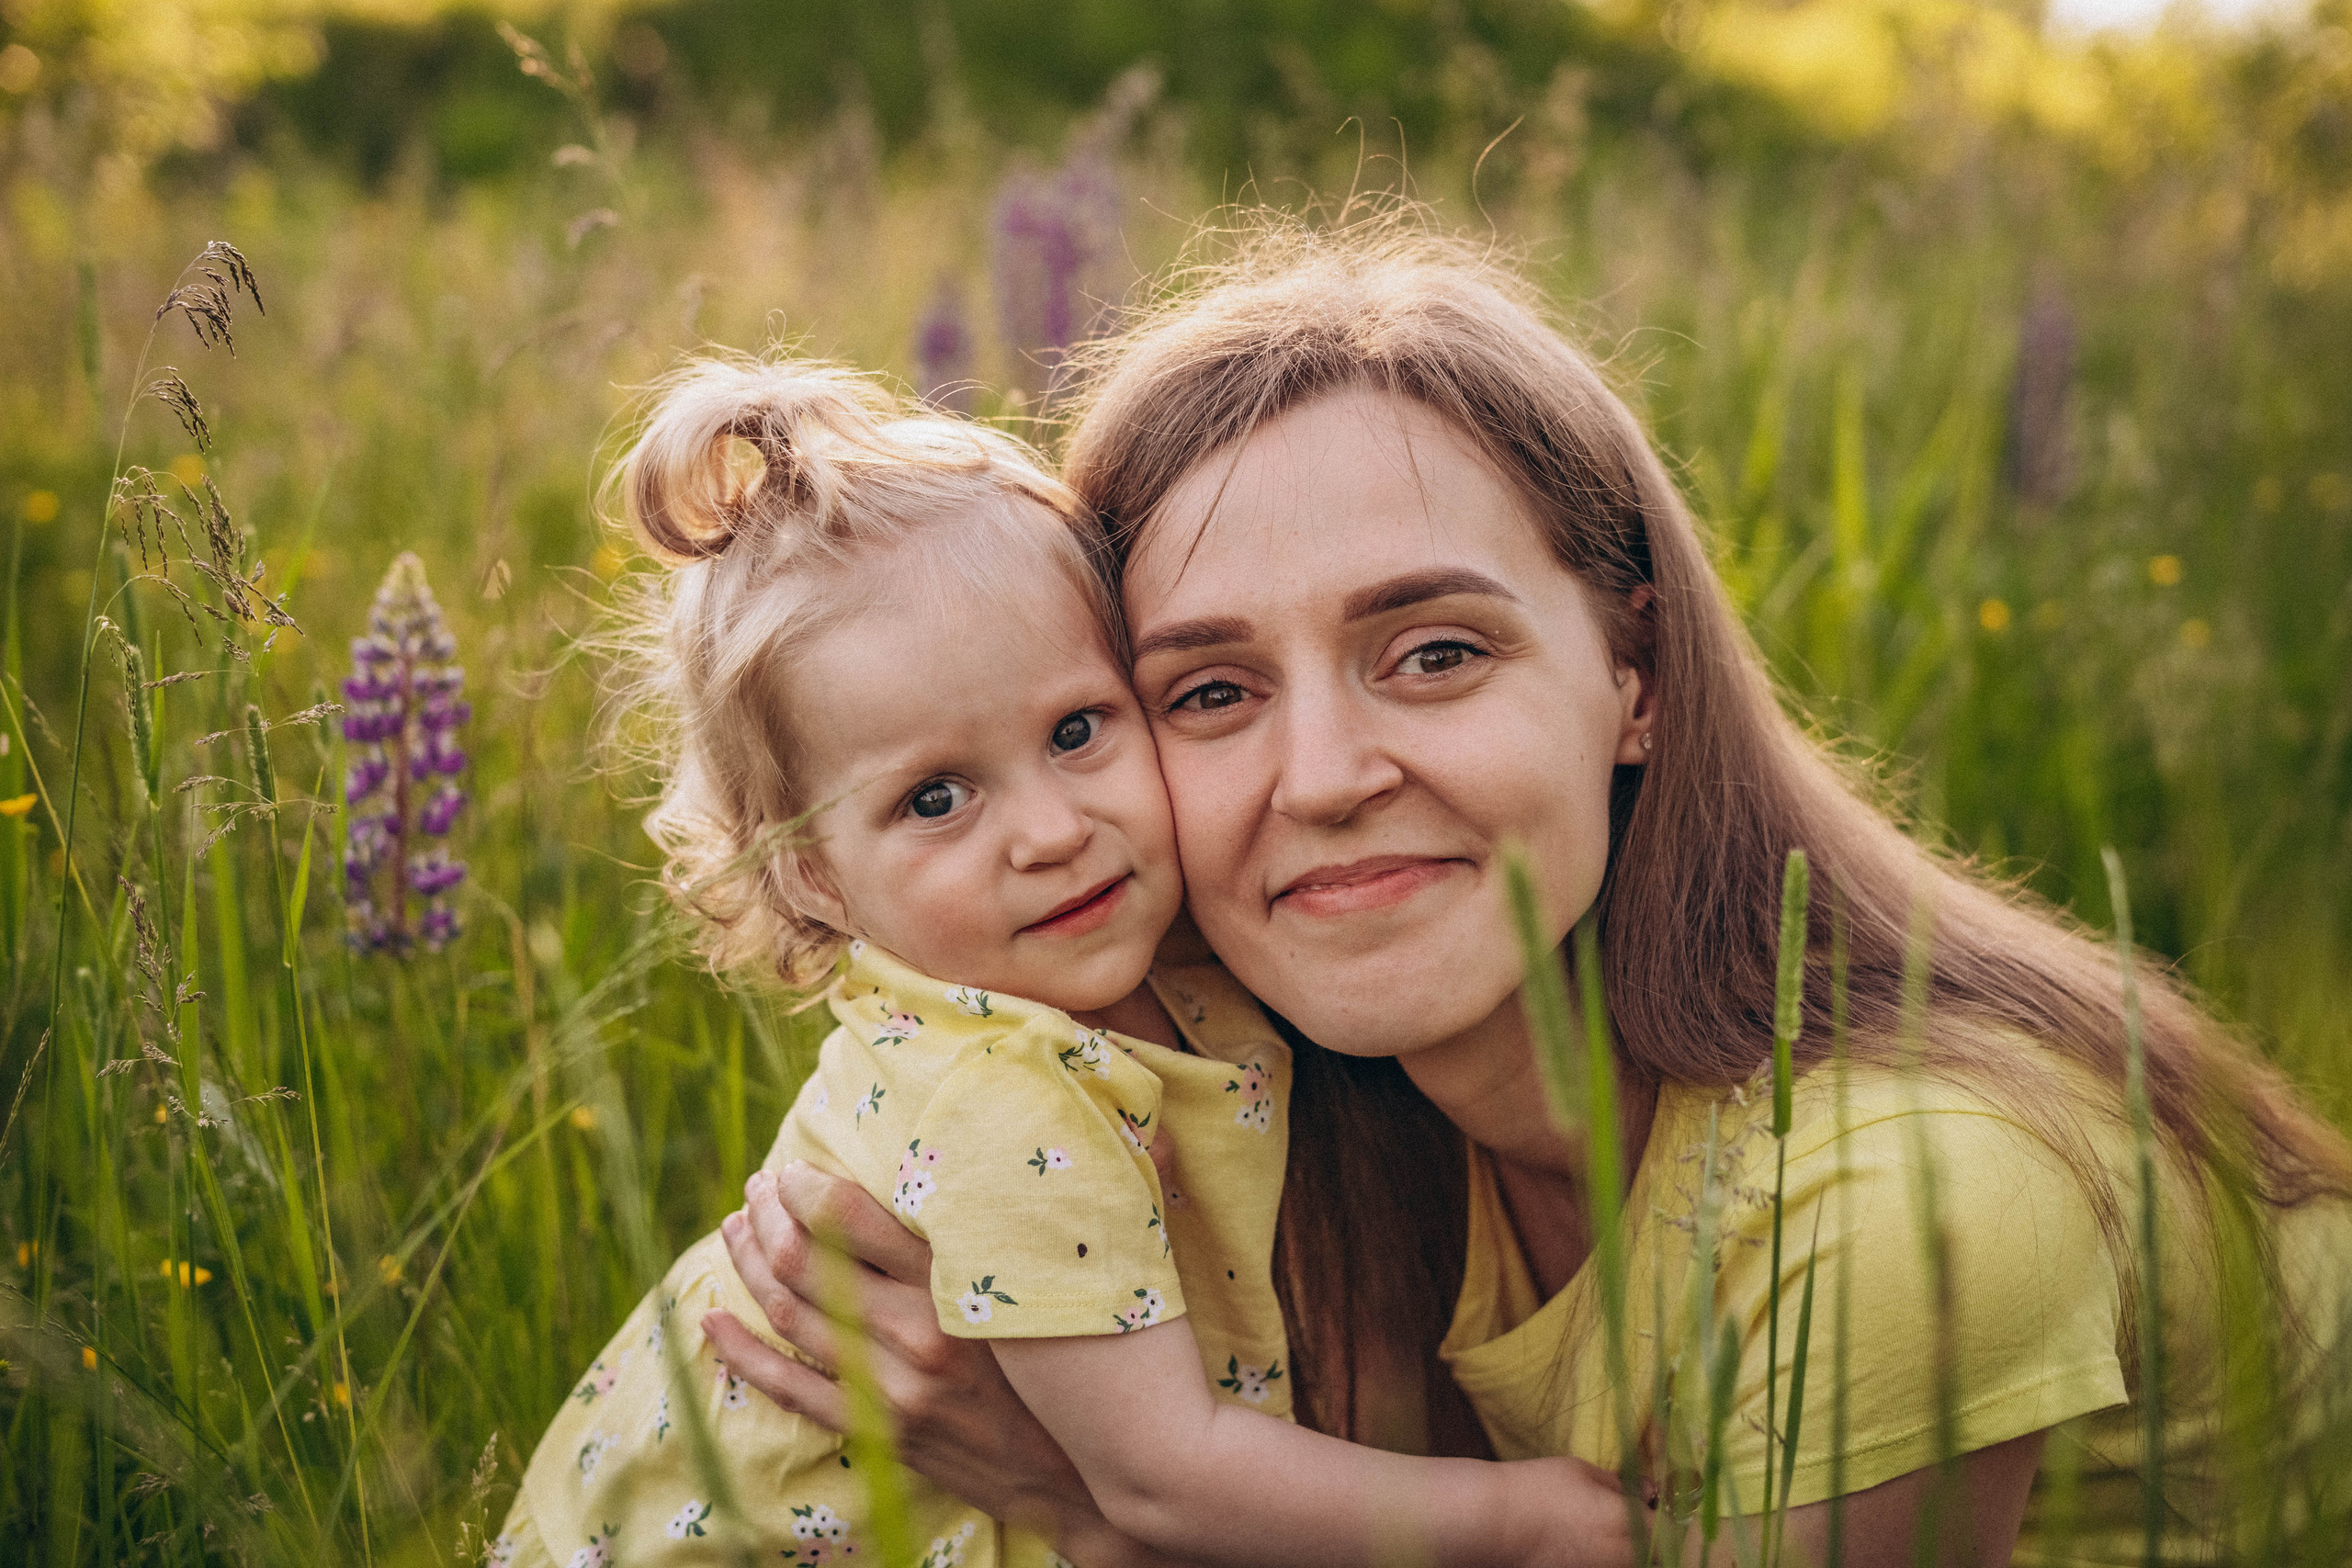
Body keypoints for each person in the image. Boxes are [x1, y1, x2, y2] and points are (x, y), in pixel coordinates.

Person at [705, 219, 2352, 1565]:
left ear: (1632, 676)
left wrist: (1082, 1505)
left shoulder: (1901, 1201)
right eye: (1208, 692)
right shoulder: (1271, 1123)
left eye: (1435, 652)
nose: (1327, 773)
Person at [495, 354, 1632, 1568]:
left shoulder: (1146, 971)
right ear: (810, 877)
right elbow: (1163, 1484)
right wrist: (1523, 1524)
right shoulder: (1002, 1097)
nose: (1049, 832)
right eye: (936, 797)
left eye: (1077, 730)